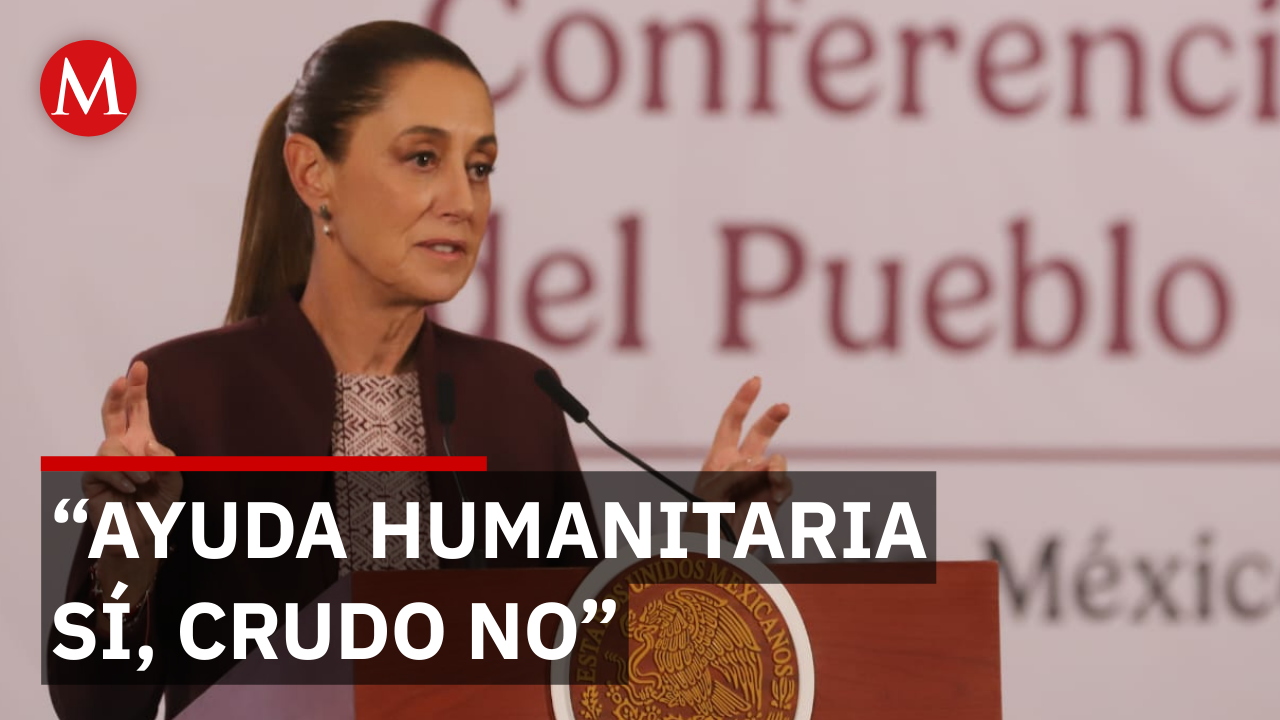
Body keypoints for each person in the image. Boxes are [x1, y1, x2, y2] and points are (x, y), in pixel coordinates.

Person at [47, 20, 793, 720]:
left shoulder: (516, 398)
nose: (462, 202)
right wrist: (125, 558)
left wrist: (710, 541)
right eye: (423, 159)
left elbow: (589, 677)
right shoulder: (189, 393)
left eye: (480, 167)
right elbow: (95, 708)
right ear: (313, 173)